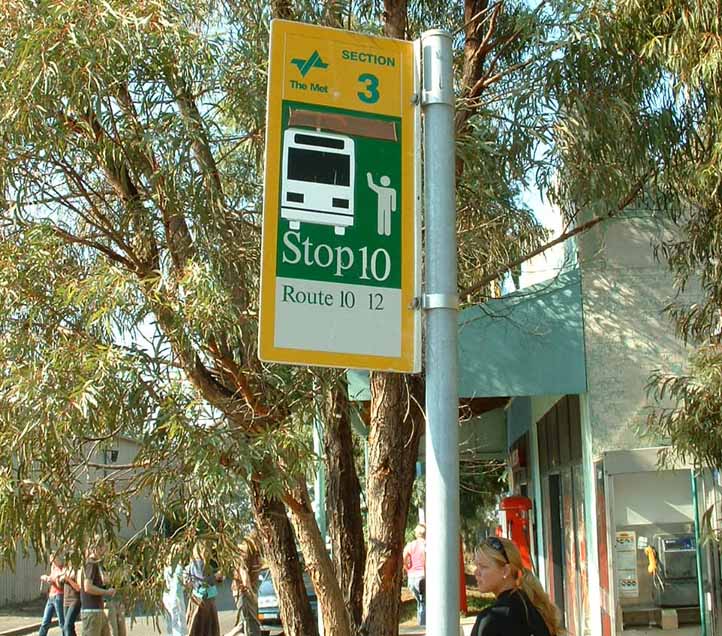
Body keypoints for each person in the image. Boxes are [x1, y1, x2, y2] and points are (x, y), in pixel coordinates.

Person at [471, 536, 562, 636]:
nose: (476, 572)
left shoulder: (492, 619)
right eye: (476, 566)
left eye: (483, 567)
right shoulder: (533, 606)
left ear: (505, 571)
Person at [226, 534, 262, 636]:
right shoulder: (244, 555)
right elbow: (244, 577)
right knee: (251, 624)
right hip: (244, 592)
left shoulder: (256, 553)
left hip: (251, 590)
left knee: (244, 623)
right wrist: (252, 595)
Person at [80, 536, 116, 636]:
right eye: (104, 547)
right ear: (97, 548)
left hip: (98, 610)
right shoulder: (90, 563)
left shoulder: (97, 564)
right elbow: (87, 587)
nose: (105, 551)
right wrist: (106, 592)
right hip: (91, 612)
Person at [185, 543, 223, 636]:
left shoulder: (193, 563)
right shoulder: (200, 563)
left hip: (197, 598)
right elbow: (204, 580)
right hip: (204, 600)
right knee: (205, 628)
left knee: (197, 627)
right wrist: (216, 576)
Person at [403, 523, 426, 627]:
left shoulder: (410, 545)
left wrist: (407, 569)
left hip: (412, 578)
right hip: (423, 577)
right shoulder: (427, 545)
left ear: (416, 534)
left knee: (420, 602)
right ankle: (423, 626)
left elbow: (403, 558)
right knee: (424, 602)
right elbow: (427, 561)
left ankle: (421, 624)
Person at [39, 553, 66, 636]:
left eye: (54, 559)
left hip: (59, 596)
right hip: (51, 597)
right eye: (51, 560)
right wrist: (46, 578)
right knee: (45, 621)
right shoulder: (53, 568)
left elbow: (61, 586)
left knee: (62, 622)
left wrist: (52, 581)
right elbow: (52, 580)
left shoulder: (63, 569)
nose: (53, 562)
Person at [163, 559, 188, 636]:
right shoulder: (178, 569)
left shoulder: (166, 568)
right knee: (179, 623)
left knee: (171, 622)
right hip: (176, 599)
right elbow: (178, 585)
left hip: (167, 597)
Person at [62, 560, 82, 636]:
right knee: (67, 627)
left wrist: (68, 579)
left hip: (75, 600)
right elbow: (60, 585)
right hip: (66, 599)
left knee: (67, 625)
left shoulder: (78, 570)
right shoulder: (65, 570)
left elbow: (78, 588)